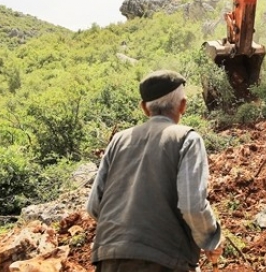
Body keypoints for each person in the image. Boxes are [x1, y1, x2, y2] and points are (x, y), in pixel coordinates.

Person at [86, 69, 222, 272]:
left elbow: (94, 206)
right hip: (163, 261)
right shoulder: (187, 139)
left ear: (144, 108)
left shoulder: (118, 141)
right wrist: (210, 239)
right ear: (182, 106)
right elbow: (192, 206)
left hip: (109, 259)